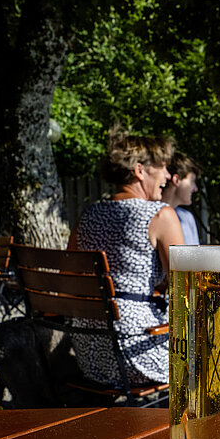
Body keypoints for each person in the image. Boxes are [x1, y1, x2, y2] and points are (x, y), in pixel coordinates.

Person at [68, 129, 183, 386]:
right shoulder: (160, 215)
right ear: (140, 170)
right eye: (162, 167)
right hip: (136, 351)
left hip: (90, 353)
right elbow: (185, 289)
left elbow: (71, 279)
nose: (167, 176)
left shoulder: (88, 214)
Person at [161, 152, 202, 245]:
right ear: (176, 180)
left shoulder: (187, 218)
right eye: (192, 181)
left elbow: (195, 257)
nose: (195, 189)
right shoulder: (150, 216)